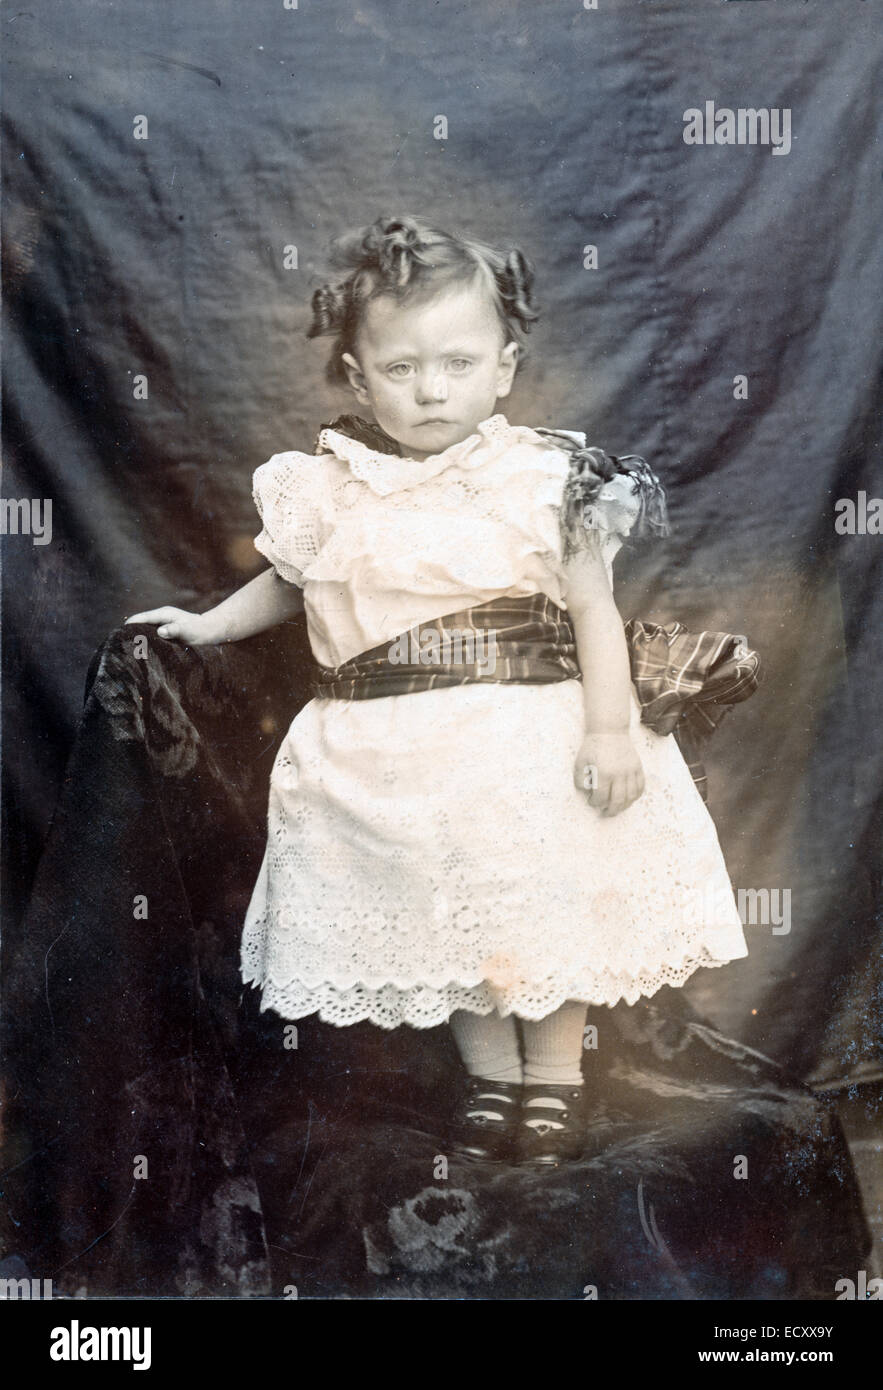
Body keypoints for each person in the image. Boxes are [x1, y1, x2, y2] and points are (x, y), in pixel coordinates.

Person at [126, 213, 749, 1167]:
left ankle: (554, 1081)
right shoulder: (331, 485)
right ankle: (491, 1077)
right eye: (402, 369)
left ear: (502, 369)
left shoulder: (545, 477)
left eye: (457, 366)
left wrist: (611, 732)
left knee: (543, 898)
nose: (430, 391)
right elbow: (290, 581)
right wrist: (208, 624)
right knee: (435, 912)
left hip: (525, 734)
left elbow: (592, 609)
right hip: (382, 746)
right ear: (357, 378)